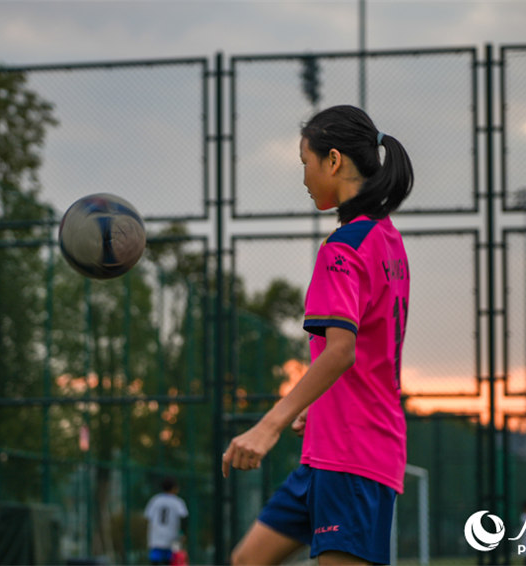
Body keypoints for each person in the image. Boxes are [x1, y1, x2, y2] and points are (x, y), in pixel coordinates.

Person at [221, 105, 414, 566]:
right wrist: (318, 405)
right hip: (328, 452)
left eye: (305, 162)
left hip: (354, 456)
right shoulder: (387, 240)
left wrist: (267, 427)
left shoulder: (342, 249)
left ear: (333, 161)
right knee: (247, 560)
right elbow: (369, 347)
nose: (305, 178)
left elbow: (343, 351)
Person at [144, 476, 189, 565]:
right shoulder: (178, 502)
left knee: (155, 559)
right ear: (174, 488)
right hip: (172, 536)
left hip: (156, 535)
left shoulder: (155, 500)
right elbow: (184, 517)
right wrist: (183, 533)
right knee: (171, 559)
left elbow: (148, 516)